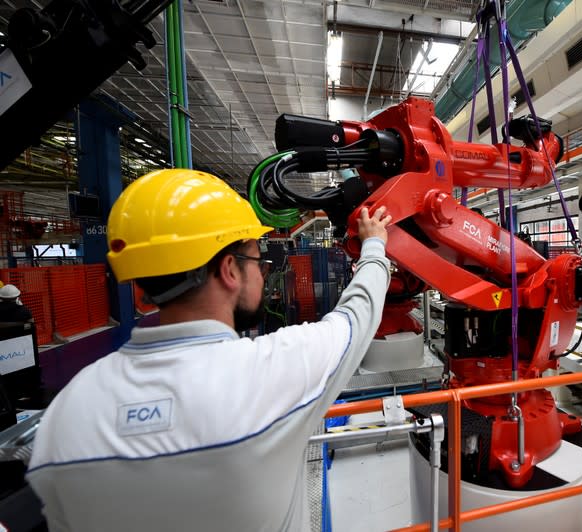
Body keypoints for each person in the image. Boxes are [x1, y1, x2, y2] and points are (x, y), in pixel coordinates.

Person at [26, 169, 392, 531]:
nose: (263, 274)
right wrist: (374, 244)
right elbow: (357, 316)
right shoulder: (272, 374)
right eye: (256, 261)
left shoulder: (65, 415)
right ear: (229, 269)